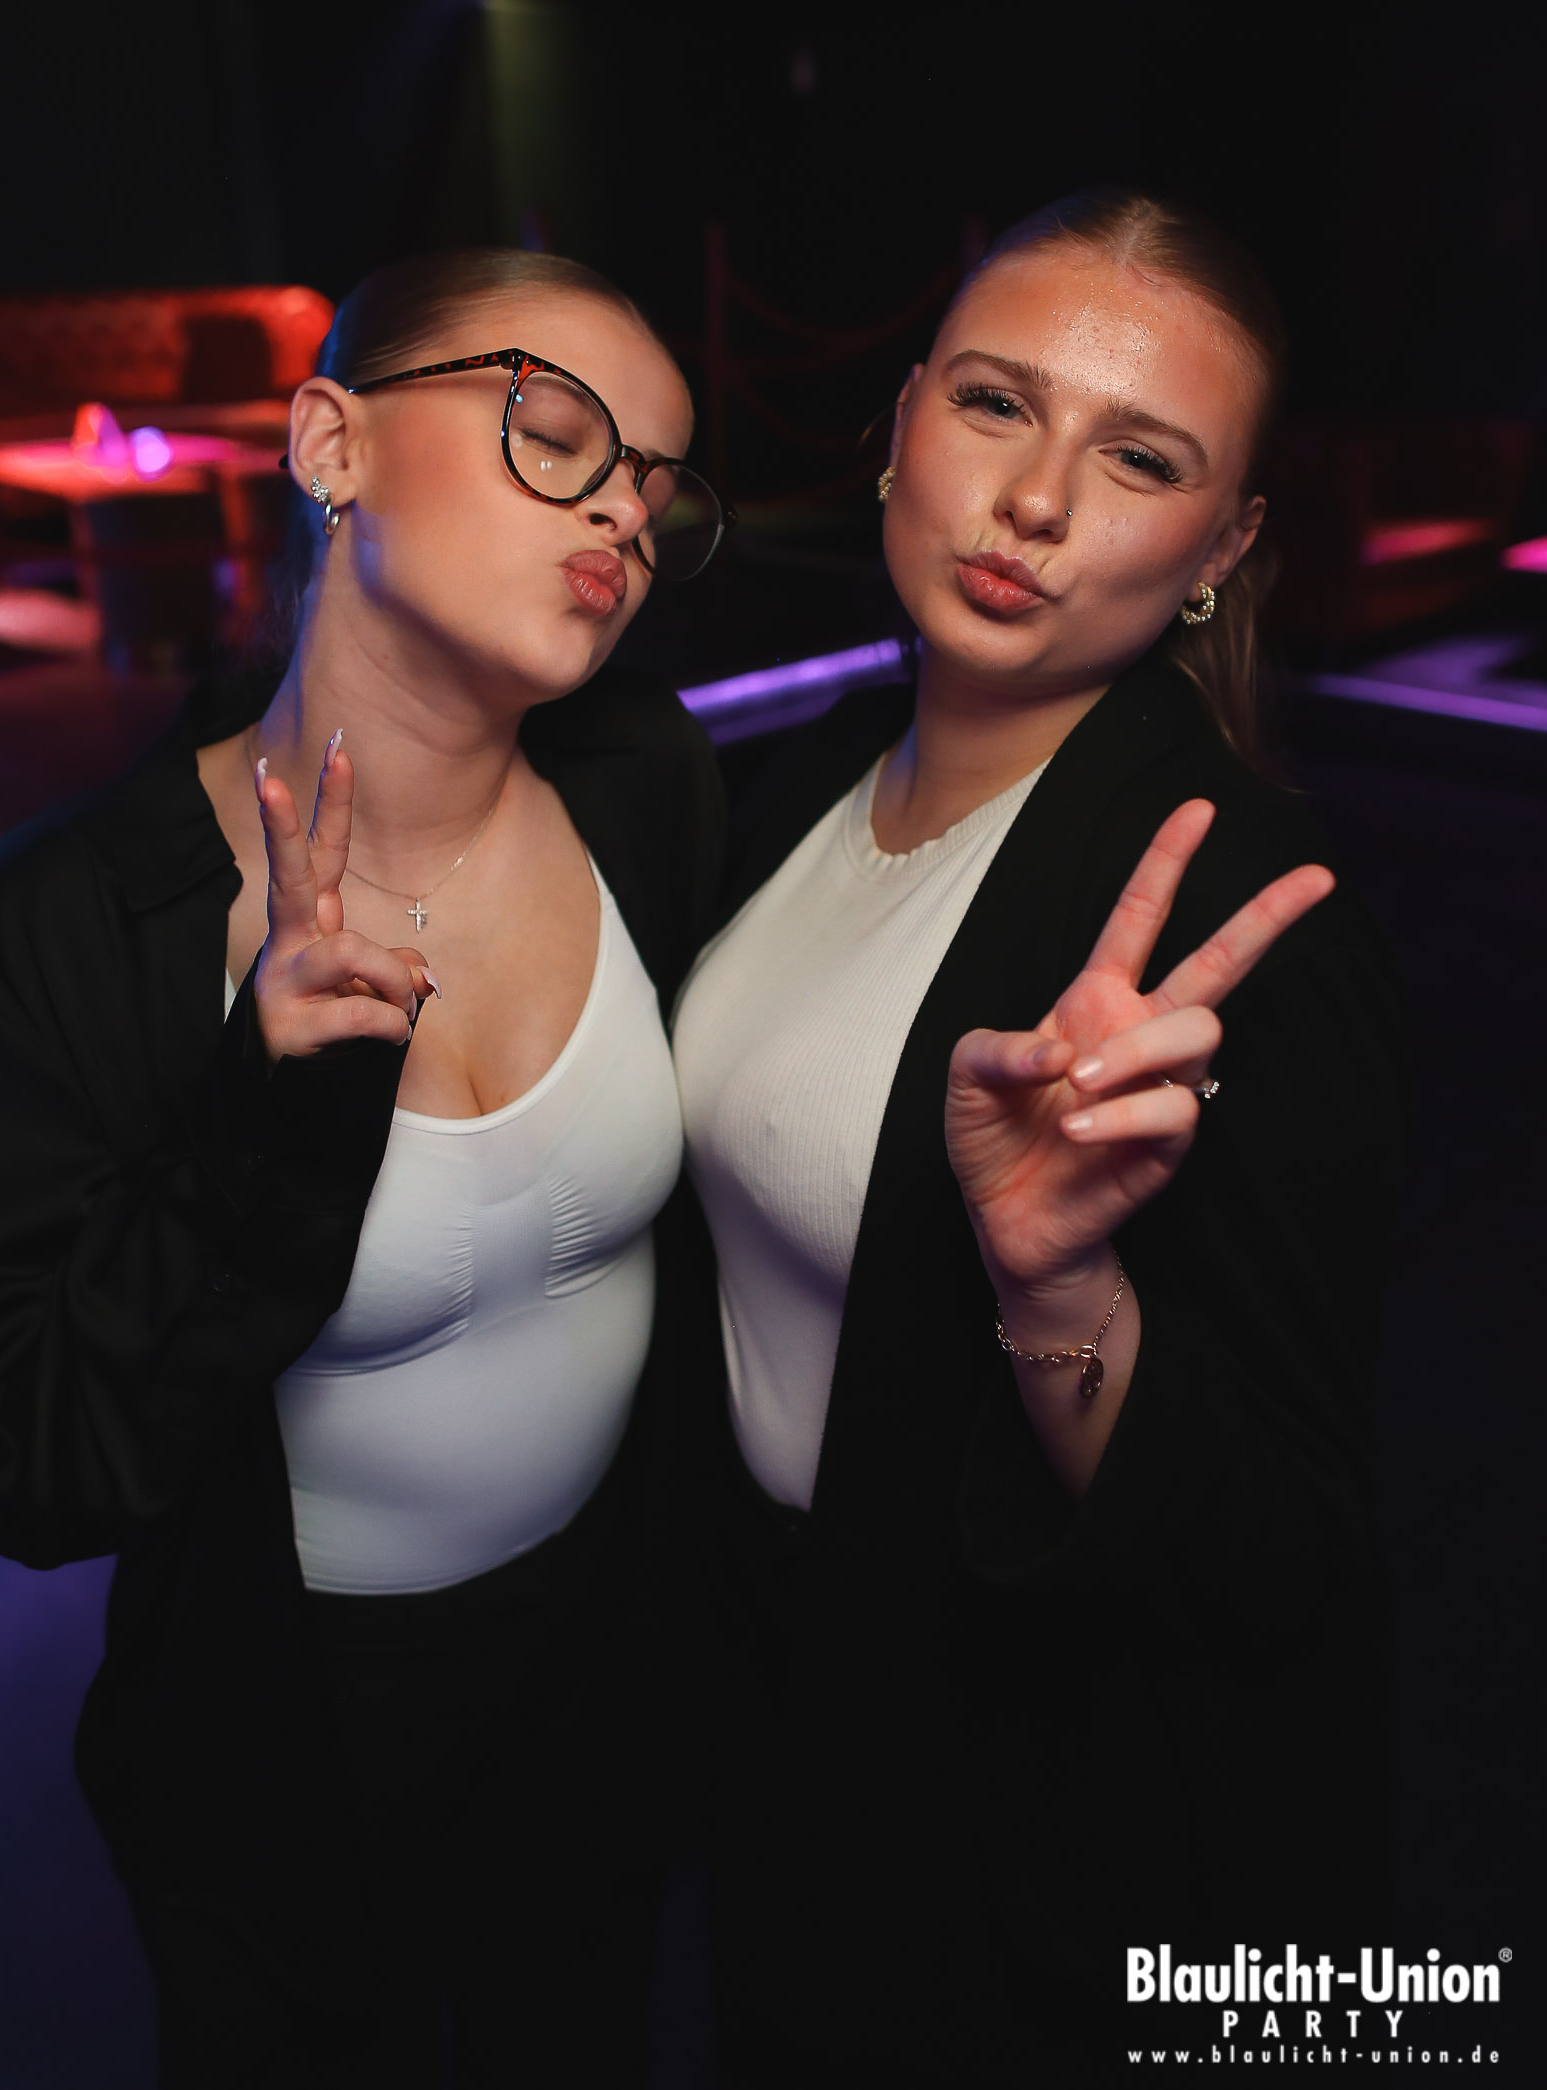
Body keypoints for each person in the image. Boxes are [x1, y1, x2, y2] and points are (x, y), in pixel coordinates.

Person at [0, 248, 729, 2087]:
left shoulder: (650, 782)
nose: (622, 508)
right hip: (279, 1746)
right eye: (556, 431)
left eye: (655, 483)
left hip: (605, 1691)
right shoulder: (74, 921)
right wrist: (260, 1126)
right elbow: (21, 1457)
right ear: (331, 443)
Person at [671, 189, 1407, 2086]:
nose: (1035, 501)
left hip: (1020, 1848)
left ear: (1222, 548)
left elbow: (1288, 1558)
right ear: (901, 420)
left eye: (1140, 457)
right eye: (997, 402)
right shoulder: (785, 791)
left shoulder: (1233, 922)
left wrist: (1060, 1284)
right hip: (775, 1733)